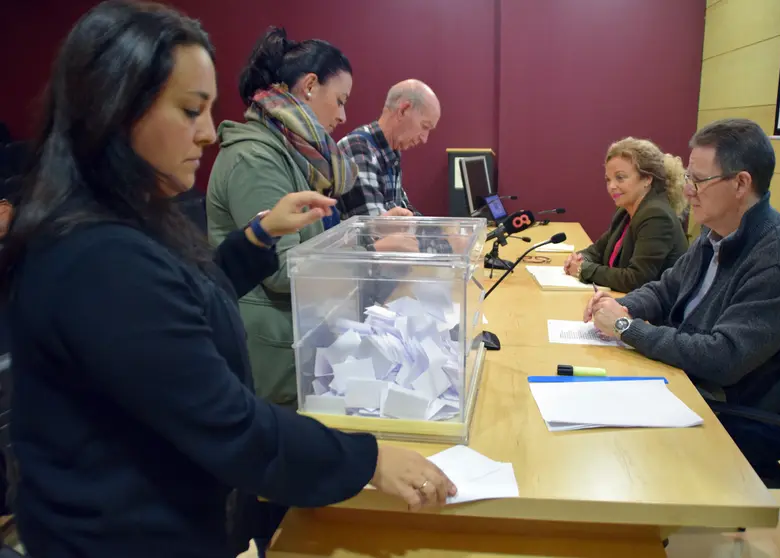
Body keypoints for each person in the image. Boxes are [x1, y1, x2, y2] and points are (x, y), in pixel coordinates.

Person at [0, 3, 455, 558]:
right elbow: (232, 426)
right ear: (115, 109)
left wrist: (257, 238)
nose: (208, 132)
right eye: (191, 110)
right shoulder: (96, 259)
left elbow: (189, 293)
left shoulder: (131, 218)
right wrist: (370, 460)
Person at [584, 118, 780, 474]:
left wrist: (625, 326)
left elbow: (720, 358)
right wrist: (622, 305)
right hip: (687, 384)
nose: (687, 191)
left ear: (741, 183)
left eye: (698, 181)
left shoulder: (778, 265)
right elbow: (665, 288)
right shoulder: (714, 234)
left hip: (731, 417)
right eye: (688, 178)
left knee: (601, 447)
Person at [207, 28, 417, 410]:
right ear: (308, 87)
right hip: (277, 358)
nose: (343, 116)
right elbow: (282, 269)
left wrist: (368, 234)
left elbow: (319, 239)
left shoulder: (299, 155)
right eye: (339, 101)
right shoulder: (256, 158)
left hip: (306, 336)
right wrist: (369, 251)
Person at [563, 137, 689, 293]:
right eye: (608, 179)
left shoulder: (657, 216)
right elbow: (597, 251)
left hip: (655, 307)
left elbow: (636, 279)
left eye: (620, 177)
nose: (611, 186)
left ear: (647, 179)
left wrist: (583, 269)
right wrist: (579, 259)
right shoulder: (625, 211)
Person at [337, 79, 441, 218]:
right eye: (425, 126)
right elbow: (372, 228)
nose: (424, 138)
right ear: (403, 110)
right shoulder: (358, 149)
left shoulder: (390, 152)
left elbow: (405, 210)